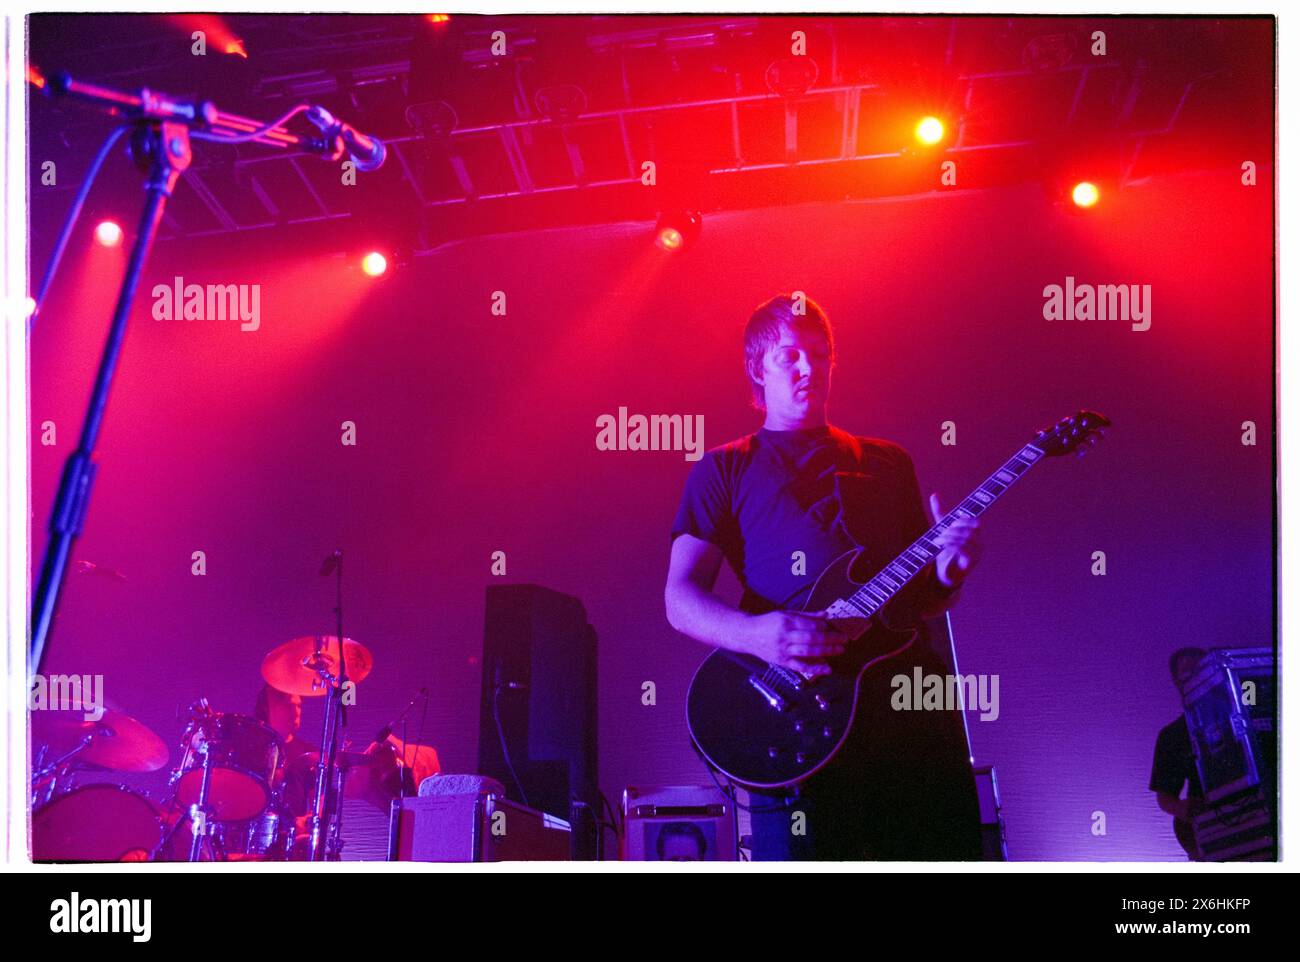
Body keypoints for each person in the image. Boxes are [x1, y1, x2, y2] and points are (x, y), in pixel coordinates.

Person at [664, 293, 984, 860]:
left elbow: (918, 603)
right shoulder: (724, 466)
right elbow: (680, 598)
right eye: (790, 355)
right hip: (803, 721)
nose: (809, 368)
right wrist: (757, 635)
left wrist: (951, 570)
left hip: (910, 711)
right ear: (757, 368)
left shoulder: (887, 461)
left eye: (820, 353)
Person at [1150, 647, 1208, 858]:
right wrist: (1185, 810)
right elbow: (1165, 796)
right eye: (1187, 673)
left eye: (1202, 671)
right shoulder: (1173, 735)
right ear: (1177, 682)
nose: (1195, 678)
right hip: (1208, 830)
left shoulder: (1241, 714)